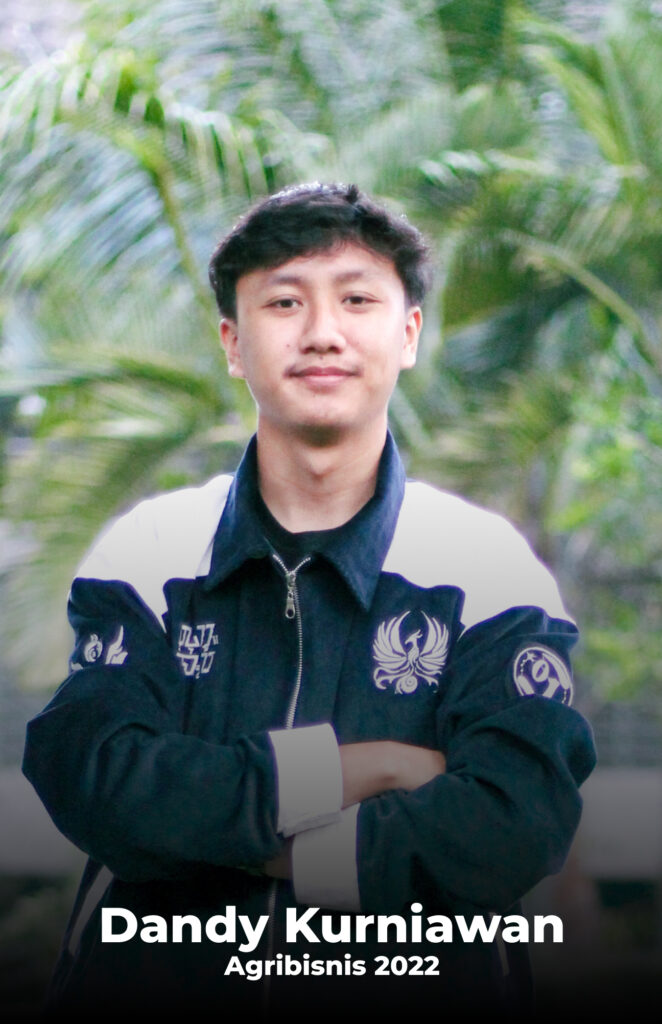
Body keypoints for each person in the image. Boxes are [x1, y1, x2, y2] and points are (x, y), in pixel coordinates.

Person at [23, 183, 596, 1018]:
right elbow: (97, 779)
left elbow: (516, 822)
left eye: (357, 300)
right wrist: (363, 769)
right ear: (233, 342)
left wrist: (277, 851)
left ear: (408, 334)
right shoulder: (150, 551)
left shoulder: (487, 568)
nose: (323, 332)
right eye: (284, 302)